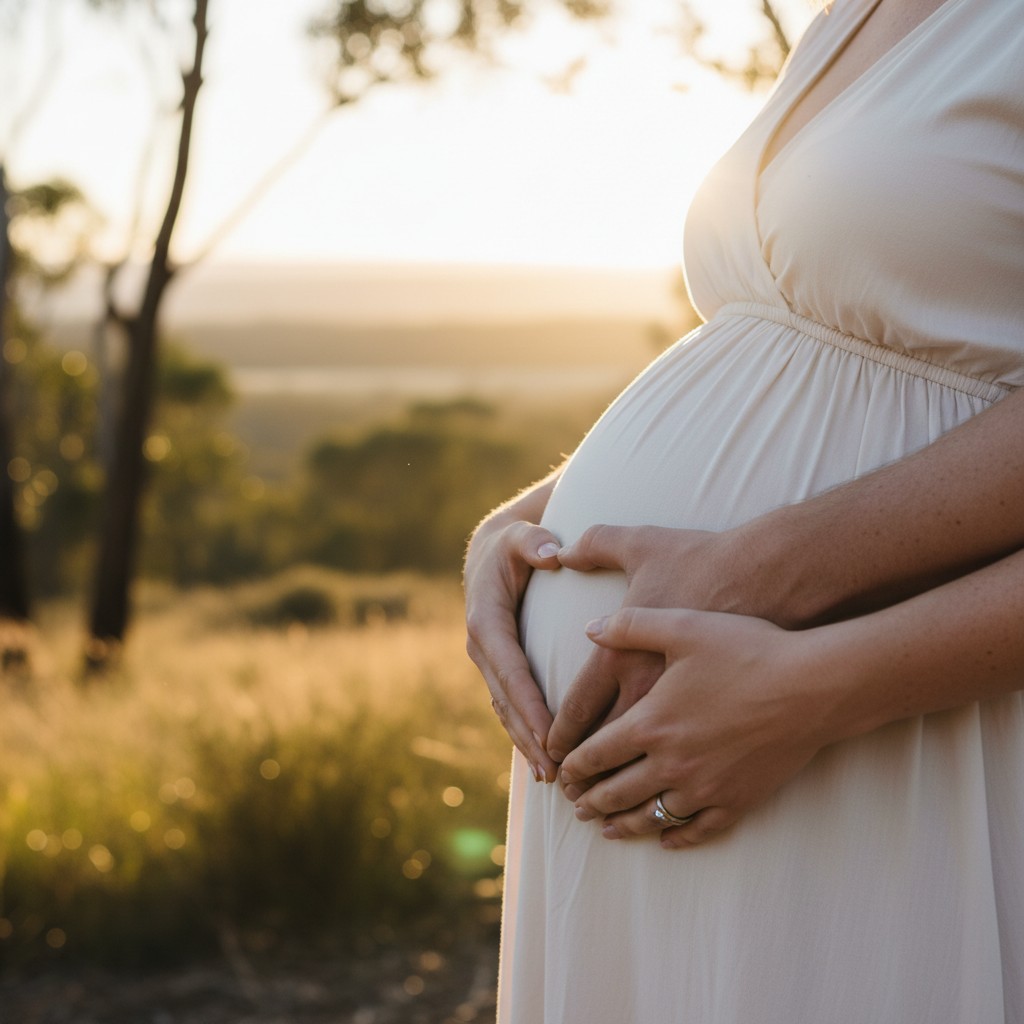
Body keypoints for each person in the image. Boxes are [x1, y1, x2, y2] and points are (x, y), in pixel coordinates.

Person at [464, 0, 1024, 1020]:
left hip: (884, 731)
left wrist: (810, 656)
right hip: (706, 748)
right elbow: (818, 352)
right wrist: (527, 527)